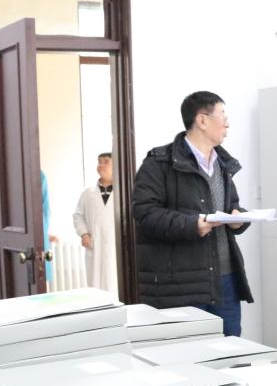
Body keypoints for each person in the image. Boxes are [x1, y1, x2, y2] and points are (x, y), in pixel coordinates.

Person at [132, 91, 252, 335]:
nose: (227, 123)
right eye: (222, 115)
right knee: (189, 353)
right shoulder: (159, 163)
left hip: (225, 280)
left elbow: (232, 205)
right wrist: (193, 224)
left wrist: (238, 219)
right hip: (180, 286)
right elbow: (145, 214)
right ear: (202, 120)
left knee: (232, 350)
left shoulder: (223, 164)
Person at [72, 152, 118, 296]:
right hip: (95, 246)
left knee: (116, 285)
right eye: (99, 161)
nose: (101, 165)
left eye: (106, 161)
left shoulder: (124, 192)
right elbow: (78, 215)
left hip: (116, 248)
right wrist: (84, 234)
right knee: (96, 290)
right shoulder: (88, 193)